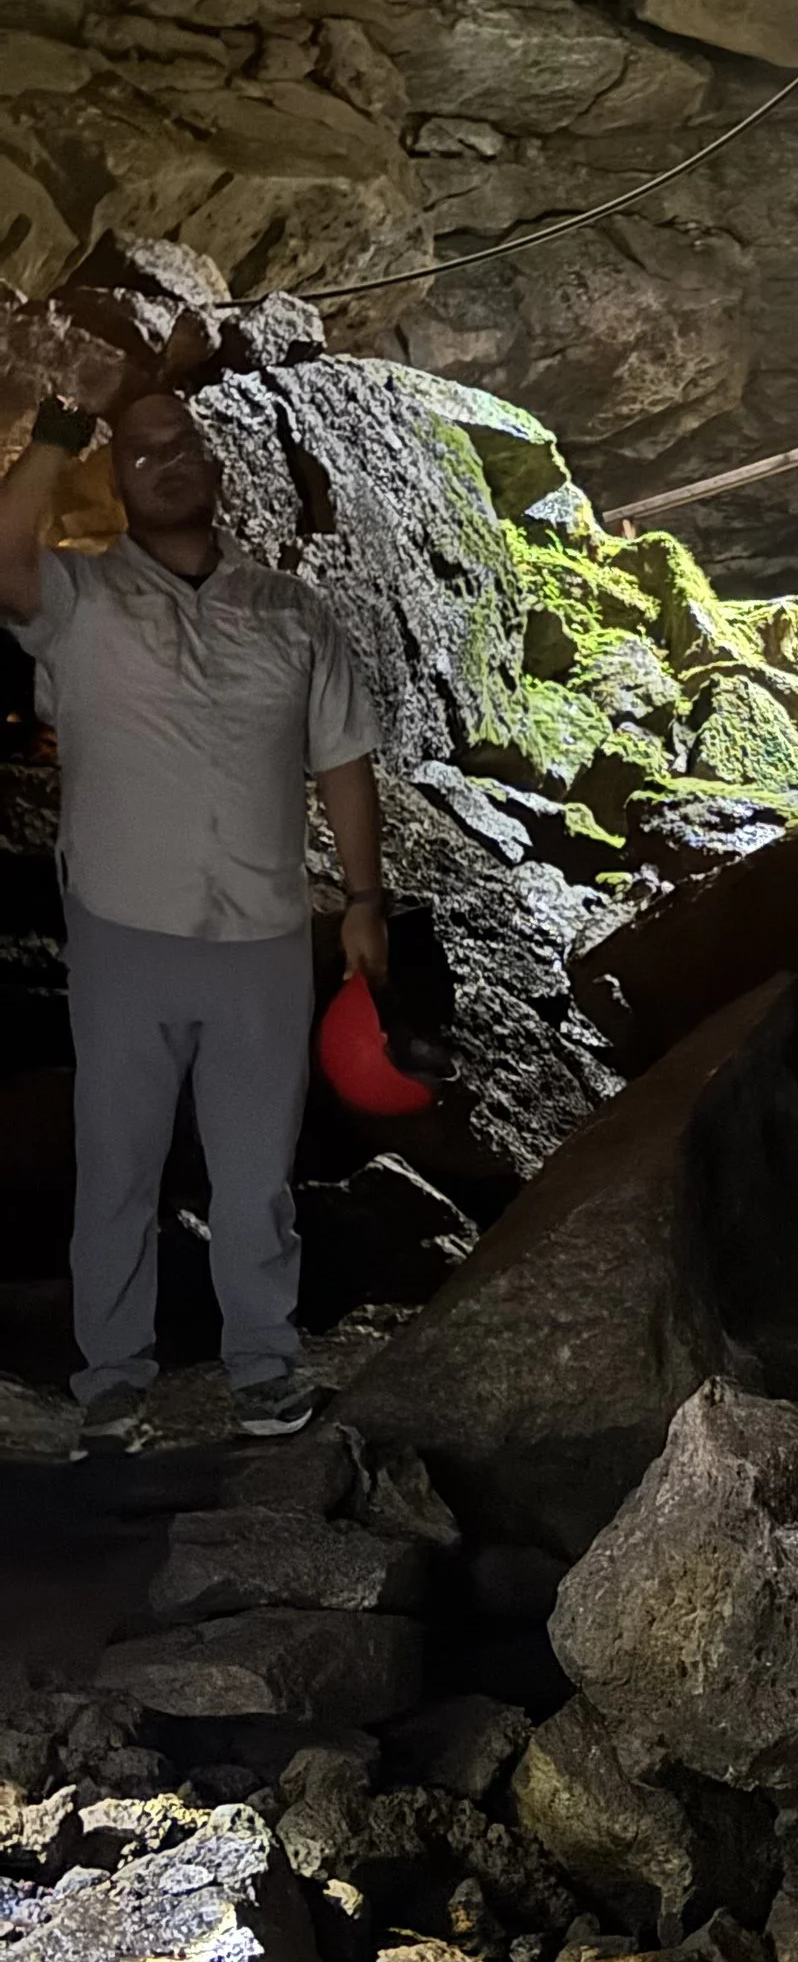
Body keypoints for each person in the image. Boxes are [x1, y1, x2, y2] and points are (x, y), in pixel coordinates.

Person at [0, 383, 388, 1446]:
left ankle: (265, 1369)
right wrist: (53, 444)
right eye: (141, 452)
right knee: (116, 1166)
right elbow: (2, 554)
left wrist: (362, 901)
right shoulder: (77, 603)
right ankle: (113, 1383)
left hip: (263, 937)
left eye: (183, 447)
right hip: (126, 935)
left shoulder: (291, 611)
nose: (167, 462)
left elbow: (343, 761)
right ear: (117, 479)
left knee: (258, 1177)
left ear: (214, 468)